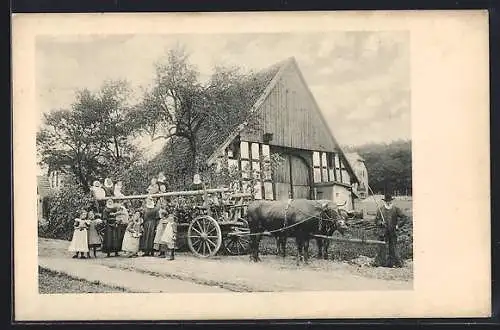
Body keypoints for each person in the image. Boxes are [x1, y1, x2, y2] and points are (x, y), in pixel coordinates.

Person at [374, 193, 408, 268]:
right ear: (384, 201)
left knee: (393, 247)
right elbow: (376, 221)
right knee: (382, 247)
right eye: (387, 201)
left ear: (392, 201)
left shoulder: (396, 209)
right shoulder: (381, 209)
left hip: (393, 231)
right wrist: (381, 223)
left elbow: (404, 218)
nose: (388, 203)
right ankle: (381, 263)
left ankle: (394, 263)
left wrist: (398, 225)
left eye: (390, 201)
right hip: (383, 232)